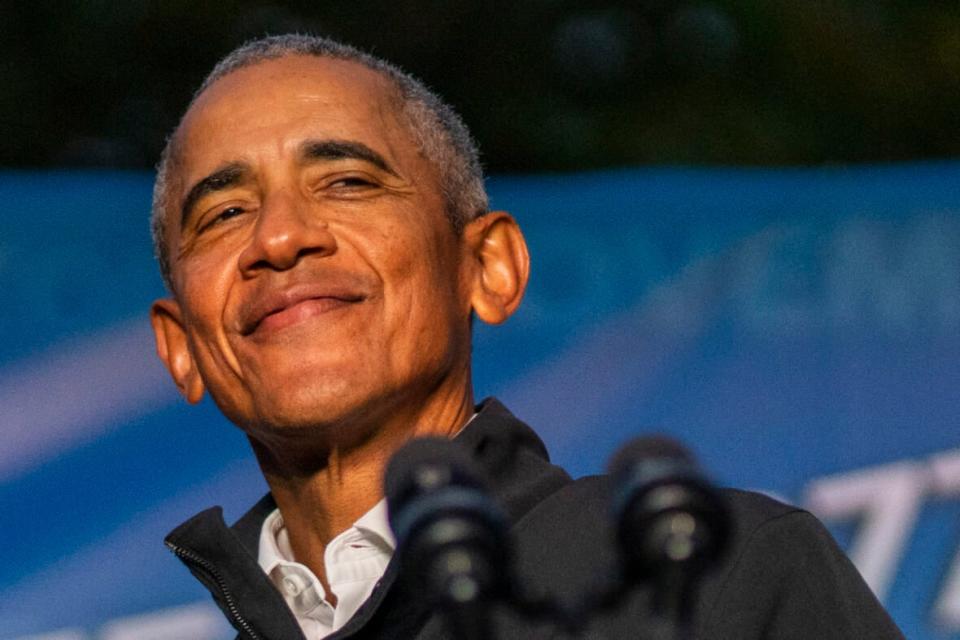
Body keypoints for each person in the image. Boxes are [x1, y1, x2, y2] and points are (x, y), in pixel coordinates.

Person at [149, 34, 904, 640]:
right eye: (222, 215)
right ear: (180, 345)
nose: (279, 238)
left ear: (488, 268)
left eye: (347, 181)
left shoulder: (725, 581)